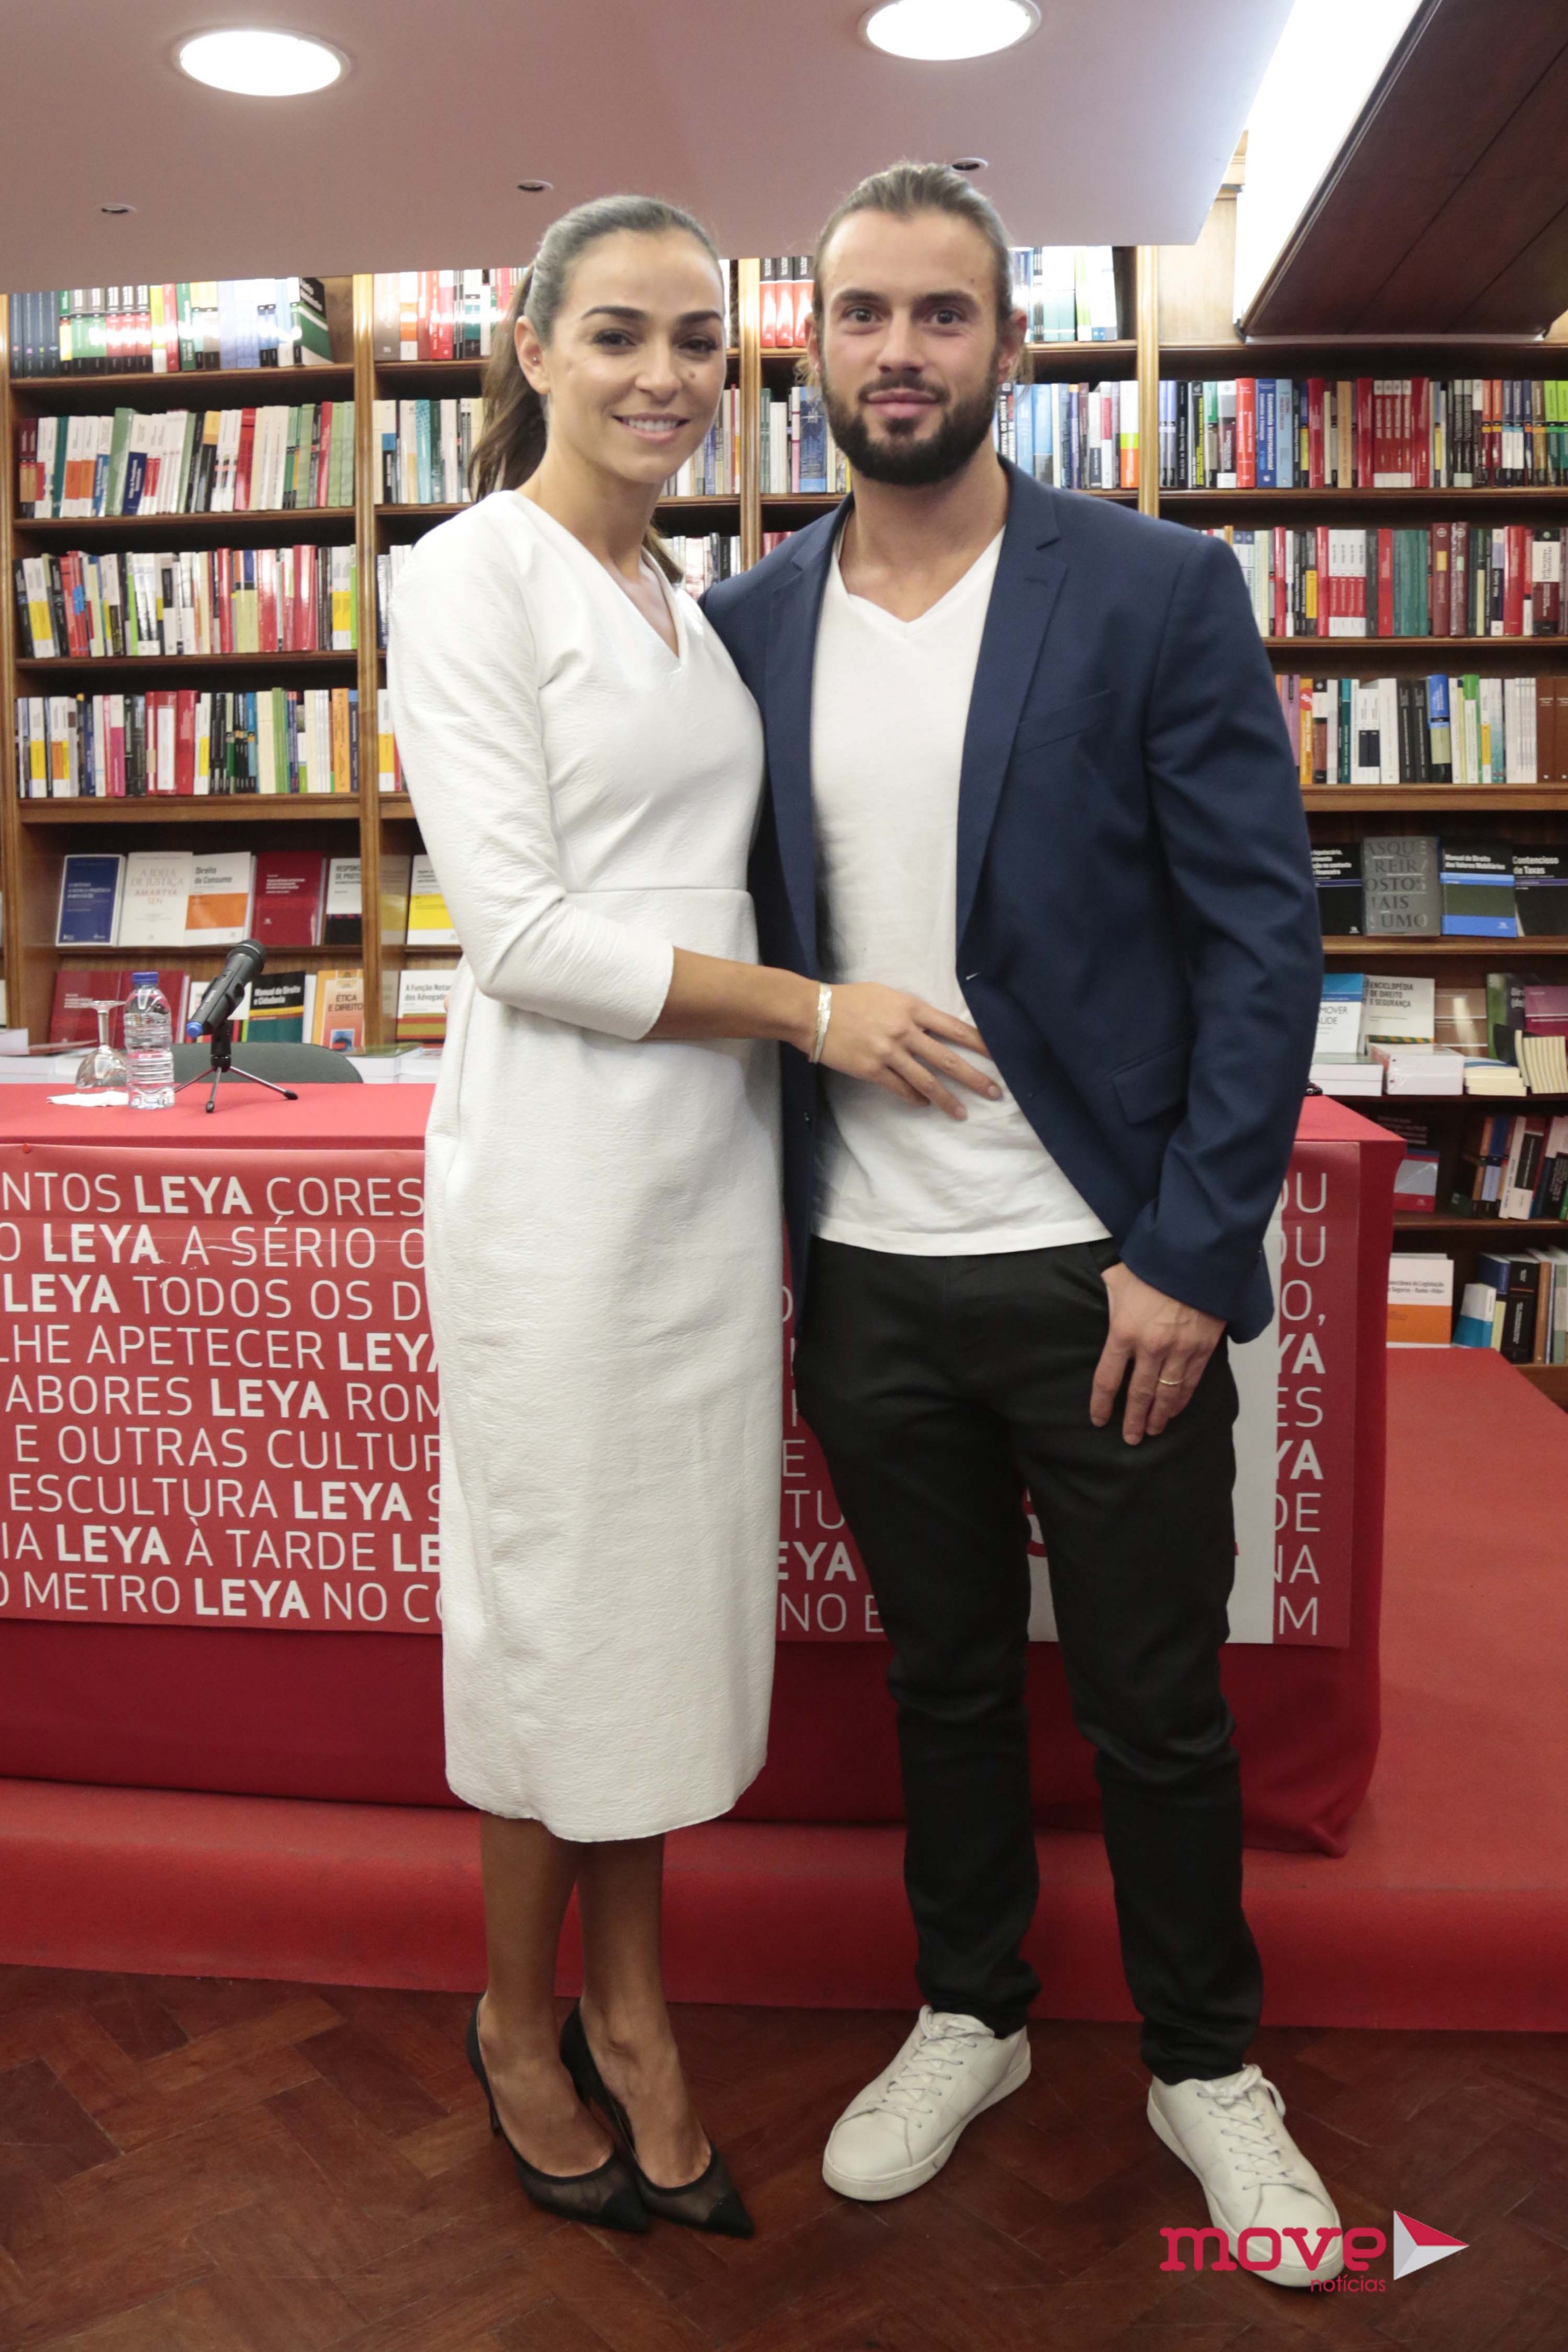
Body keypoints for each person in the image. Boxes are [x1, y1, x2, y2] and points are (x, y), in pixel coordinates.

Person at [703, 164, 1338, 2289]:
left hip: (1105, 1272)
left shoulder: (1152, 589)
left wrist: (1187, 1253)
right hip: (866, 1277)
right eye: (862, 313)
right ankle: (969, 2013)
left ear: (1011, 344)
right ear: (809, 347)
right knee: (946, 1680)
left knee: (1156, 1701)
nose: (900, 351)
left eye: (942, 314)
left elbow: (1260, 941)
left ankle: (1204, 2064)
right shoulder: (745, 628)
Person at [386, 192, 996, 2238]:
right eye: (620, 335)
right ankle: (515, 2016)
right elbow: (525, 936)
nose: (665, 378)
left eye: (698, 344)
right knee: (556, 1610)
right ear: (532, 349)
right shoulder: (465, 575)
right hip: (562, 1176)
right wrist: (819, 1013)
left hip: (709, 1180)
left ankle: (633, 2010)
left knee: (652, 1619)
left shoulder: (683, 590)